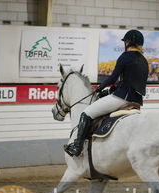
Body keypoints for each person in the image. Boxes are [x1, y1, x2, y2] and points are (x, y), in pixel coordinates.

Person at [64, 29, 149, 157]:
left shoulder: (125, 56)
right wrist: (109, 91)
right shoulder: (144, 60)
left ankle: (77, 147)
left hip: (122, 98)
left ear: (128, 43)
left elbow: (112, 78)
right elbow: (128, 82)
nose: (124, 43)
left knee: (86, 113)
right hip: (136, 101)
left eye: (125, 41)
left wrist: (99, 88)